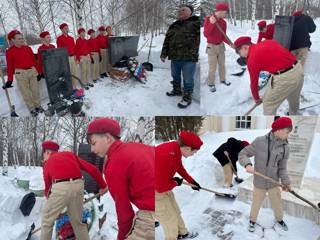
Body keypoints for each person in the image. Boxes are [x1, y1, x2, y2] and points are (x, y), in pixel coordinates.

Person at [86, 118, 155, 240]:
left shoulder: (114, 164)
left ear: (108, 138)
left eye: (93, 143)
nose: (92, 150)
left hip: (149, 216)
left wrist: (122, 237)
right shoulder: (140, 147)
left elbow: (125, 212)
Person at [40, 140, 107, 240]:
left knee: (46, 222)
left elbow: (48, 188)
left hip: (61, 187)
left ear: (47, 152)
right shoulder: (70, 155)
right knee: (78, 223)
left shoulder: (48, 163)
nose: (44, 159)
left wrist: (53, 209)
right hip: (79, 186)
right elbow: (93, 169)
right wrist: (103, 186)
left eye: (43, 156)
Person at [238, 117, 292, 233]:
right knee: (256, 203)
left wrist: (286, 183)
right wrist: (247, 164)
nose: (288, 135)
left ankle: (279, 219)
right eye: (287, 132)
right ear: (278, 130)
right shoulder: (260, 141)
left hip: (273, 182)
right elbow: (243, 153)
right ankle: (252, 220)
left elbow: (282, 168)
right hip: (259, 182)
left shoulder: (285, 147)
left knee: (277, 203)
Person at [233, 36, 304, 115]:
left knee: (268, 104)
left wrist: (257, 99)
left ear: (245, 48)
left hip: (285, 78)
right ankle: (293, 113)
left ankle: (269, 122)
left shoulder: (252, 59)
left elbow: (254, 83)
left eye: (239, 53)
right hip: (298, 68)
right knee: (294, 96)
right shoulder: (268, 42)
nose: (241, 56)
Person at [155, 130, 203, 239]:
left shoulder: (175, 149)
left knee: (175, 211)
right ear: (187, 148)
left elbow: (179, 167)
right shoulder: (166, 155)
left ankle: (183, 233)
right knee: (169, 220)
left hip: (164, 185)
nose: (192, 155)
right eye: (193, 152)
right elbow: (160, 187)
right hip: (155, 191)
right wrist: (176, 182)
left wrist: (192, 182)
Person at [160, 5, 200, 108]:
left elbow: (207, 29)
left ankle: (187, 97)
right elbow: (167, 41)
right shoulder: (173, 25)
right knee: (175, 76)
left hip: (189, 59)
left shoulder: (196, 23)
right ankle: (177, 90)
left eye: (183, 10)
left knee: (188, 79)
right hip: (175, 57)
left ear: (190, 12)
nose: (180, 11)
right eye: (179, 10)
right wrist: (164, 54)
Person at [3, 30, 43, 116]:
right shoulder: (9, 51)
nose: (22, 40)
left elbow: (34, 61)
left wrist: (39, 72)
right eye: (19, 39)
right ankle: (32, 109)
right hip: (20, 73)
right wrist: (10, 80)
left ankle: (38, 106)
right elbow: (10, 67)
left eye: (22, 38)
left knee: (35, 90)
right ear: (13, 40)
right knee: (26, 93)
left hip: (32, 71)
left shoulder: (28, 48)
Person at [204, 2, 232, 92]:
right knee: (212, 67)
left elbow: (223, 36)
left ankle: (223, 79)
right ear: (220, 11)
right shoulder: (208, 19)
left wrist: (230, 43)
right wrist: (212, 23)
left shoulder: (223, 22)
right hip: (211, 47)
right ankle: (211, 83)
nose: (226, 14)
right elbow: (206, 34)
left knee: (222, 65)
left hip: (221, 46)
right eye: (225, 12)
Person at [56, 23, 78, 89]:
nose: (67, 29)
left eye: (67, 28)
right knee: (67, 74)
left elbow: (74, 48)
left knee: (74, 72)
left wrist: (76, 57)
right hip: (65, 59)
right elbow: (59, 51)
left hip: (72, 58)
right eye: (65, 28)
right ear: (62, 30)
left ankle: (75, 86)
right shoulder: (59, 39)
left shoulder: (71, 38)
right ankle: (69, 87)